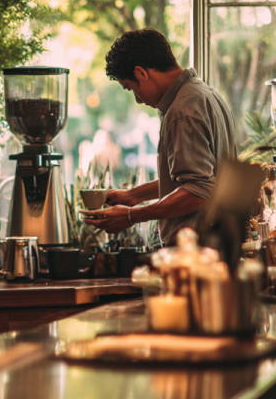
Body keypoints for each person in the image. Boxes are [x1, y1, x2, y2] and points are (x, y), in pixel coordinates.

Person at [84, 28, 236, 245]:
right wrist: (132, 196)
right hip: (216, 247)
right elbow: (196, 179)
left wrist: (131, 216)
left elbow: (199, 191)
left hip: (193, 253)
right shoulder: (204, 93)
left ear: (141, 73)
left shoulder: (182, 111)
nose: (137, 100)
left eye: (130, 89)